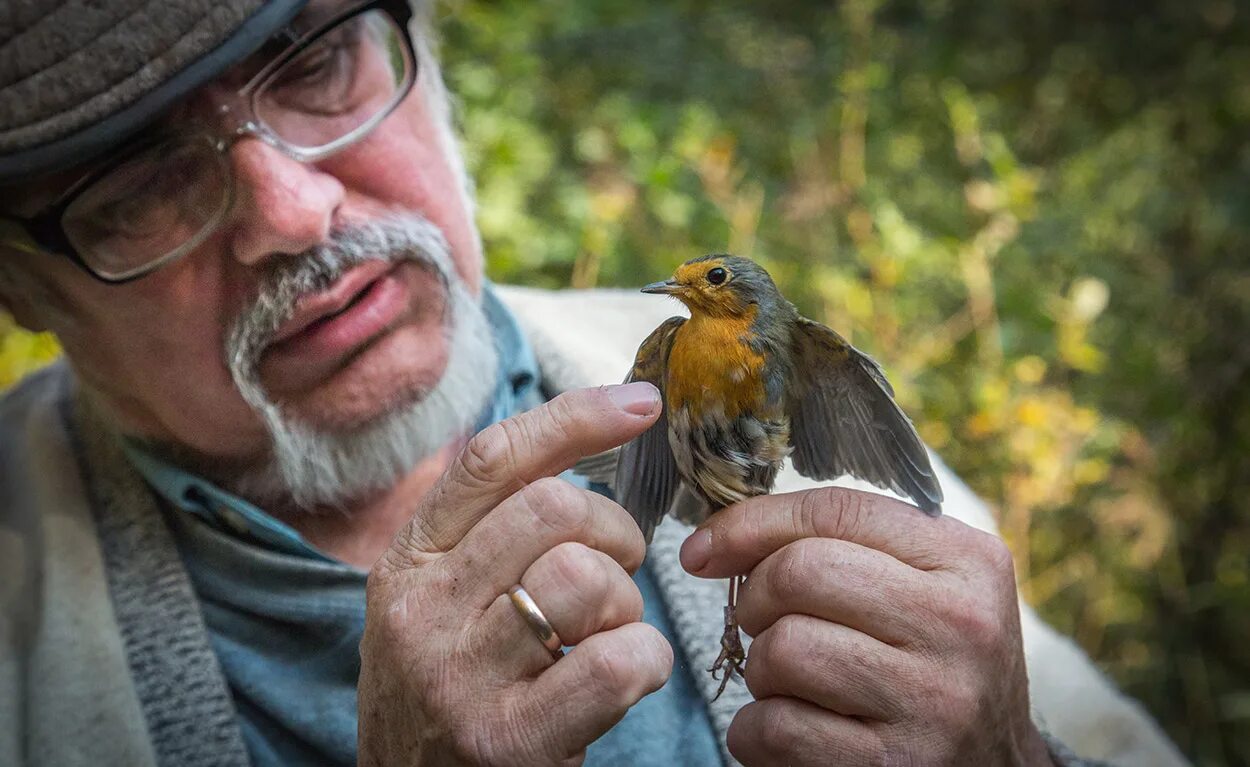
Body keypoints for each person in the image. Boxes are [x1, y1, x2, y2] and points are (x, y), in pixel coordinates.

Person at [0, 1, 1188, 765]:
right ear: (25, 288)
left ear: (427, 57)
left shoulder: (751, 375)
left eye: (314, 66)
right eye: (141, 181)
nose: (294, 212)